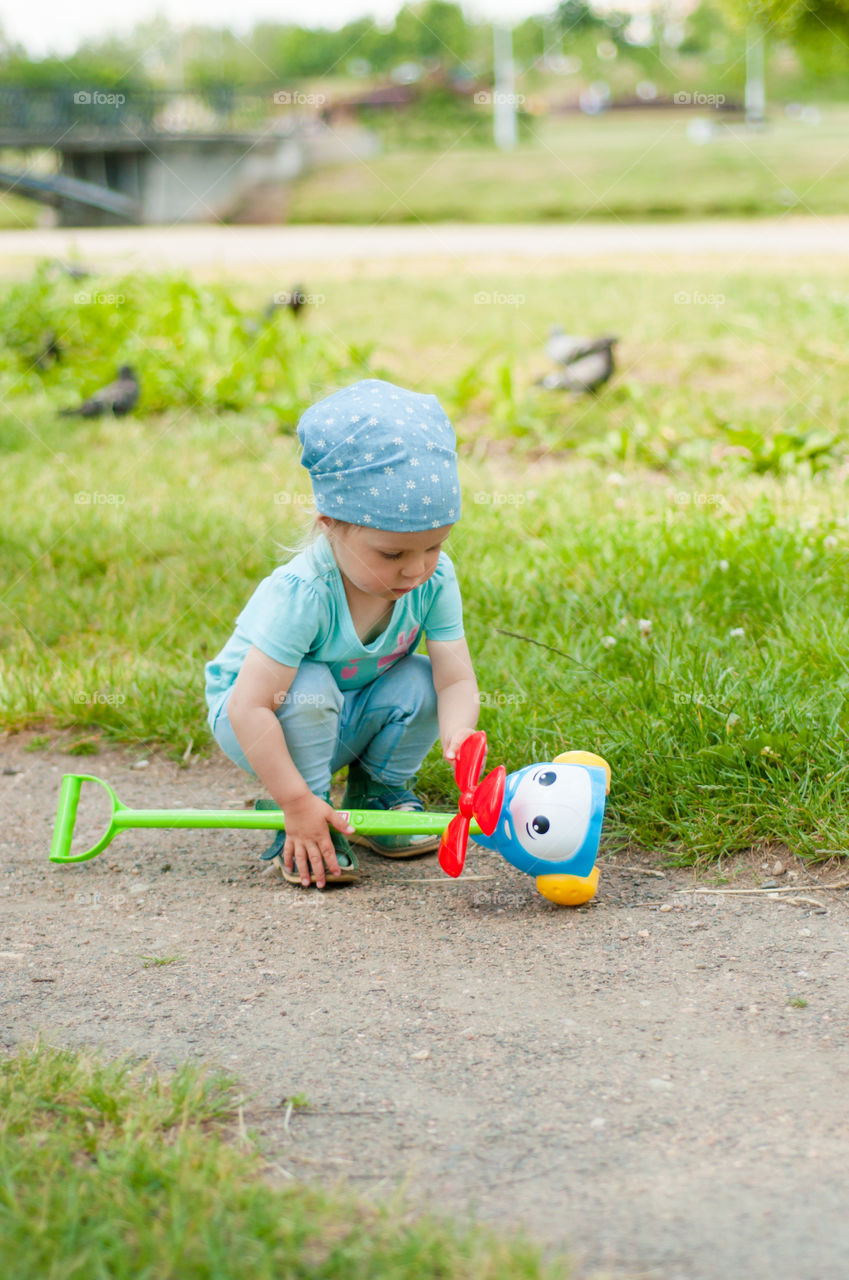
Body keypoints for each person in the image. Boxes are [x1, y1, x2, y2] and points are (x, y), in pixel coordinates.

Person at [204, 378, 479, 889]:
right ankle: (304, 813)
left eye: (434, 546)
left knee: (421, 679)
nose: (415, 570)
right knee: (308, 683)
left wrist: (459, 734)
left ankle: (377, 792)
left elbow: (454, 681)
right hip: (261, 719)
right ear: (330, 523)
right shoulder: (303, 593)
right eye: (392, 554)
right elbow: (249, 707)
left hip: (343, 712)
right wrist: (295, 800)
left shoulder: (434, 580)